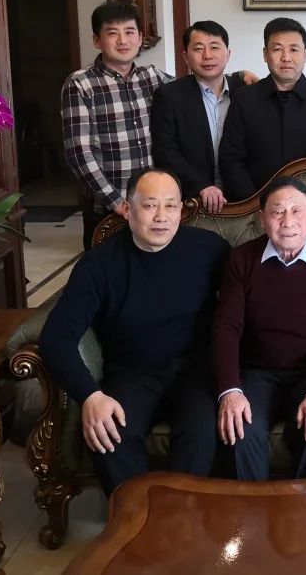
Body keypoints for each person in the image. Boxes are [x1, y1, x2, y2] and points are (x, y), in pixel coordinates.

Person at [38, 168, 229, 495]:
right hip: (132, 373)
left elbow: (246, 304)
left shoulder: (211, 249)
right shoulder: (99, 264)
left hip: (195, 372)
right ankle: (138, 518)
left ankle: (181, 516)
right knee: (110, 432)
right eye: (150, 205)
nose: (161, 216)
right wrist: (90, 395)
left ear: (181, 210)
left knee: (202, 428)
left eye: (170, 206)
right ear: (127, 209)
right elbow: (56, 338)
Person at [213, 177, 306, 480]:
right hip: (256, 372)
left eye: (297, 211)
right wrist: (231, 389)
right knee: (240, 431)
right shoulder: (241, 259)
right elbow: (227, 327)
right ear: (262, 218)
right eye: (277, 212)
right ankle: (252, 509)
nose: (288, 221)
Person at [62, 2, 173, 250]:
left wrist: (238, 77)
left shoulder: (152, 76)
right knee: (108, 271)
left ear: (140, 38)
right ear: (97, 40)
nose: (122, 40)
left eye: (129, 32)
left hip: (153, 205)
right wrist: (116, 202)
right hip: (109, 209)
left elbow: (194, 89)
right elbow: (78, 152)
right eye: (113, 33)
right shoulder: (81, 84)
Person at [218, 18, 306, 201]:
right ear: (265, 54)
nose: (286, 57)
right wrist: (255, 203)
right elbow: (231, 158)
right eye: (277, 49)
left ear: (305, 54)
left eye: (294, 49)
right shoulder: (244, 99)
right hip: (254, 206)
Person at [149, 21, 249, 215]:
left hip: (245, 198)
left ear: (228, 54)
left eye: (215, 47)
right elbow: (165, 151)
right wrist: (200, 186)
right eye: (198, 48)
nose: (207, 55)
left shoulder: (246, 91)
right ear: (185, 57)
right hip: (192, 198)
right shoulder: (169, 96)